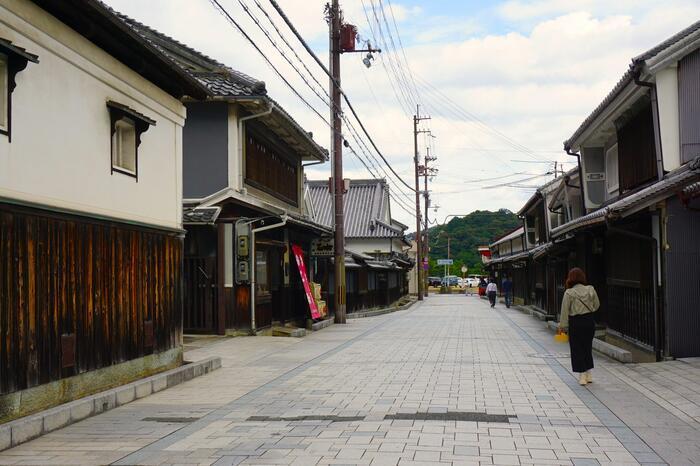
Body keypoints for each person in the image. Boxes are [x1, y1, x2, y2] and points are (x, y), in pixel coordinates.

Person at [559, 267, 600, 386]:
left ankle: (582, 376)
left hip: (575, 323)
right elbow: (597, 305)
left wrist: (563, 326)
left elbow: (564, 311)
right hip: (589, 321)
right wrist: (590, 310)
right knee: (587, 347)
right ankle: (589, 374)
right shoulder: (590, 289)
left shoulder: (569, 292)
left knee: (577, 348)